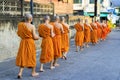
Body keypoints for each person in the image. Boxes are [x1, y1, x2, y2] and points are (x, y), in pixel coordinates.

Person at [16, 13, 39, 79]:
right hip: (30, 42)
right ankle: (33, 72)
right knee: (32, 56)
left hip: (23, 42)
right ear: (31, 19)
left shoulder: (20, 25)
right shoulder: (32, 26)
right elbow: (34, 37)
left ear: (25, 19)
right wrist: (38, 37)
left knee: (23, 57)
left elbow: (19, 34)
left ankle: (20, 73)